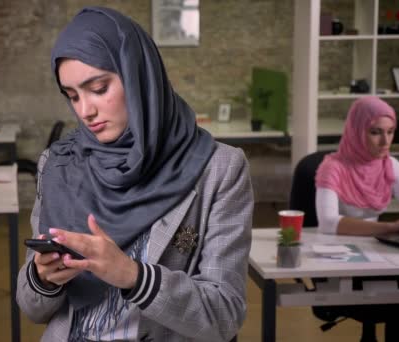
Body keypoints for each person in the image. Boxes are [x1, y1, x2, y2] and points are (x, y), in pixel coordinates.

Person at [16, 7, 253, 342]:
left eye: (98, 88)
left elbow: (224, 316)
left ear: (138, 75)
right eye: (72, 96)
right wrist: (43, 278)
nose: (86, 111)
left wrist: (133, 276)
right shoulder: (58, 165)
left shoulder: (219, 169)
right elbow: (31, 307)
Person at [315, 96, 399, 341]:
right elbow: (328, 222)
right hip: (342, 263)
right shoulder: (333, 167)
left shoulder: (389, 165)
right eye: (376, 132)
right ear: (357, 131)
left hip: (377, 257)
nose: (385, 141)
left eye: (390, 132)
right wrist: (391, 226)